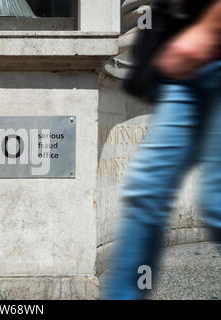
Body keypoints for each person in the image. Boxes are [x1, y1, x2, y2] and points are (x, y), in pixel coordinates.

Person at [105, 0, 221, 299]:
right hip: (189, 55)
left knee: (216, 200)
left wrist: (210, 27)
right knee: (147, 192)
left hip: (205, 49)